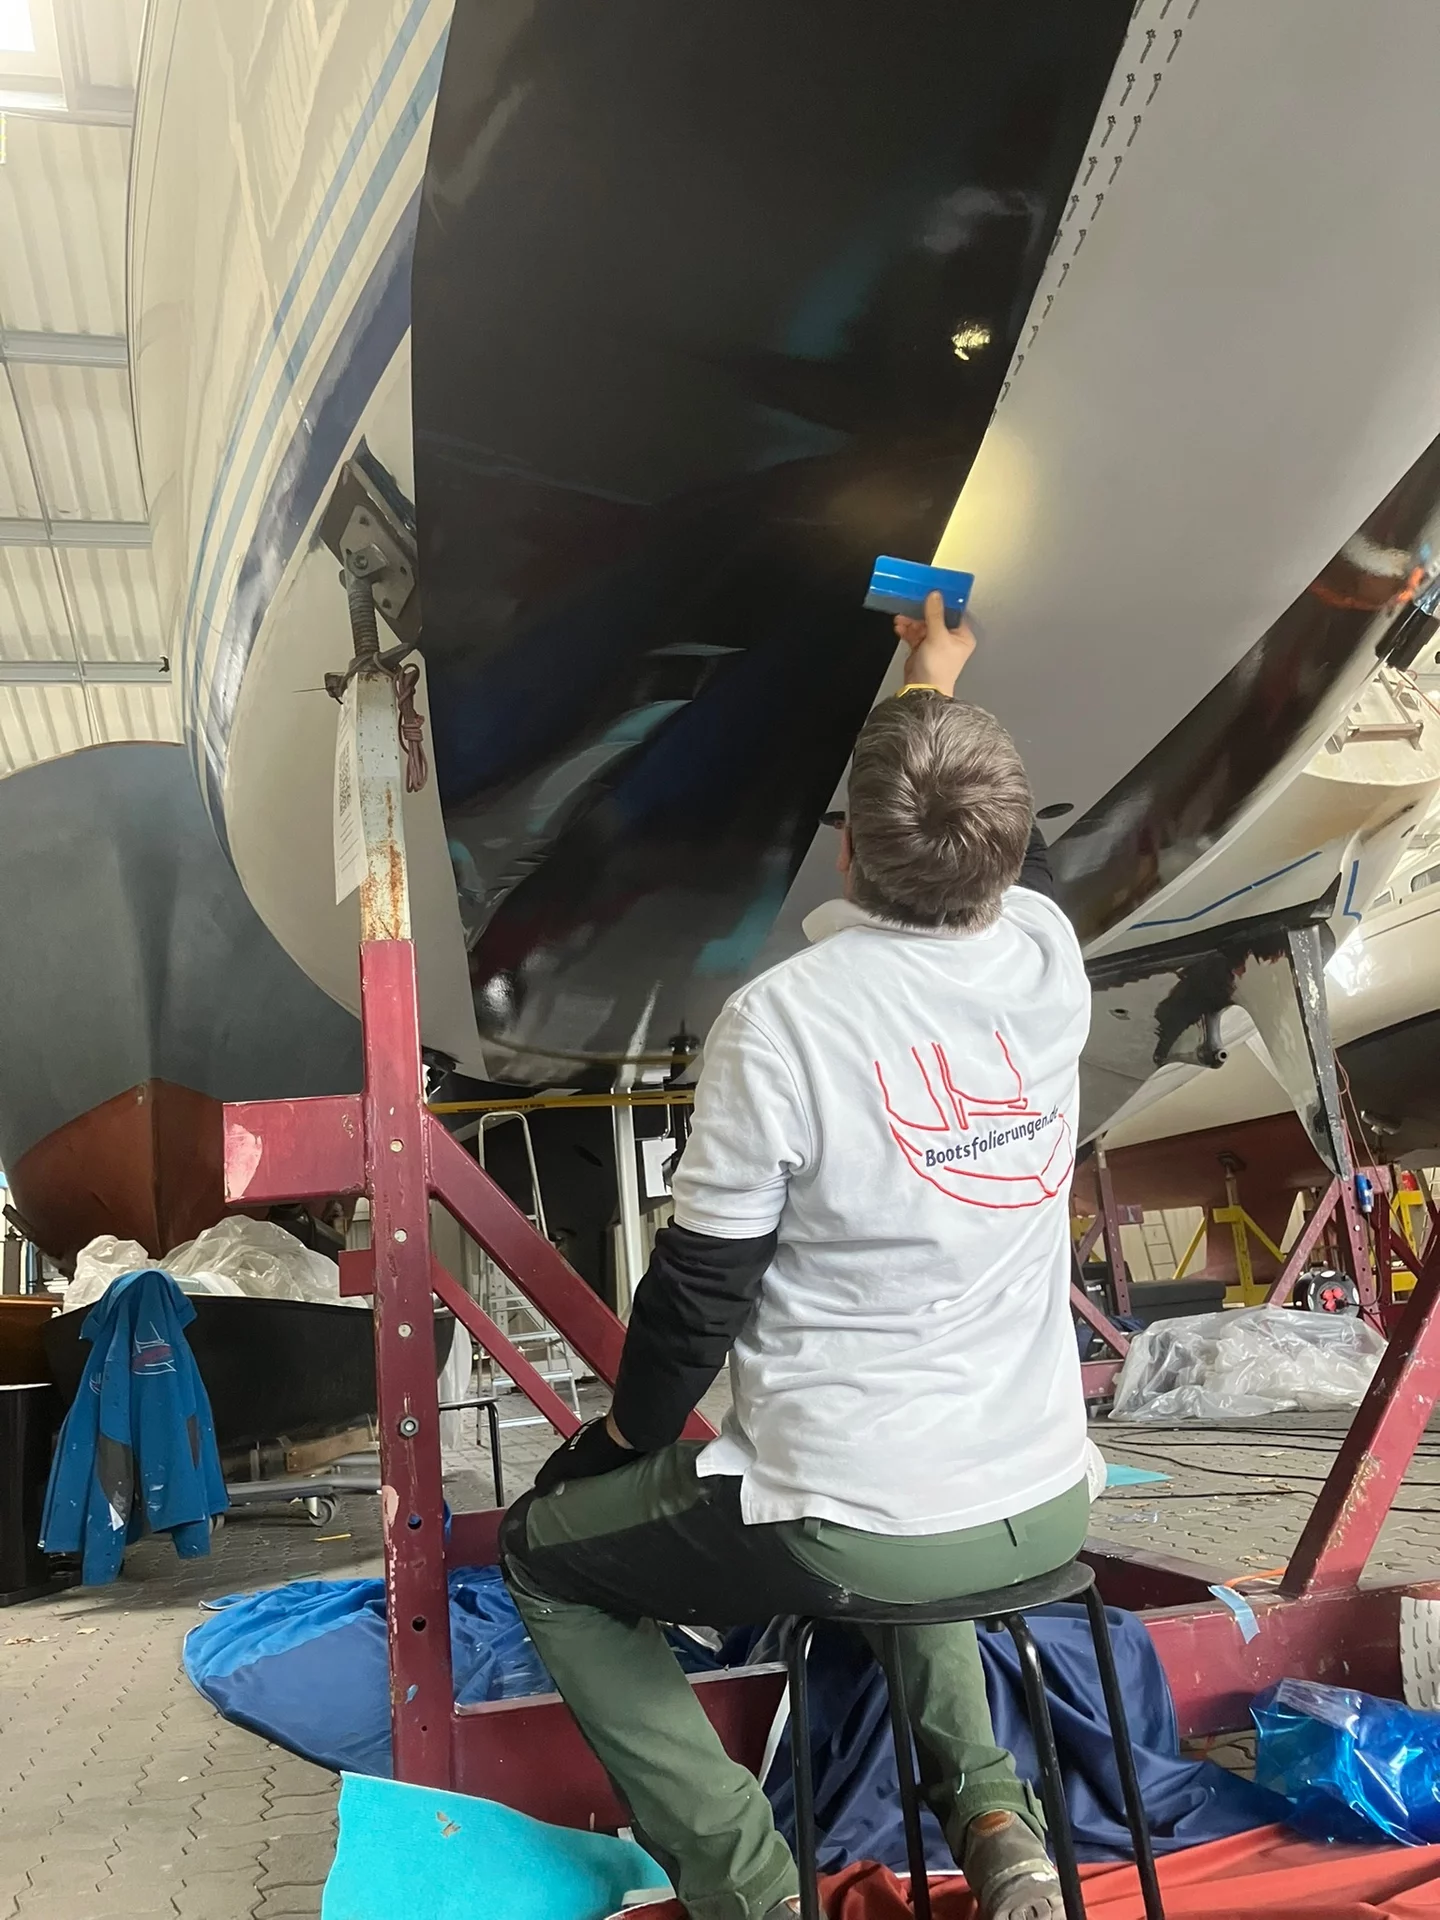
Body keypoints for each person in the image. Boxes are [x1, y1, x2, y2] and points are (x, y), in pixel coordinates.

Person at [501, 591, 1093, 1920]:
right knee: (908, 1486)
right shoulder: (1049, 960)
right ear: (1004, 860)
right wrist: (931, 683)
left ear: (845, 855)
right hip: (1047, 1490)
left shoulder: (781, 1022)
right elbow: (1007, 860)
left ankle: (755, 1894)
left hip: (859, 1515)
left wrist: (619, 1439)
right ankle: (999, 1822)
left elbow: (699, 1290)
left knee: (547, 1558)